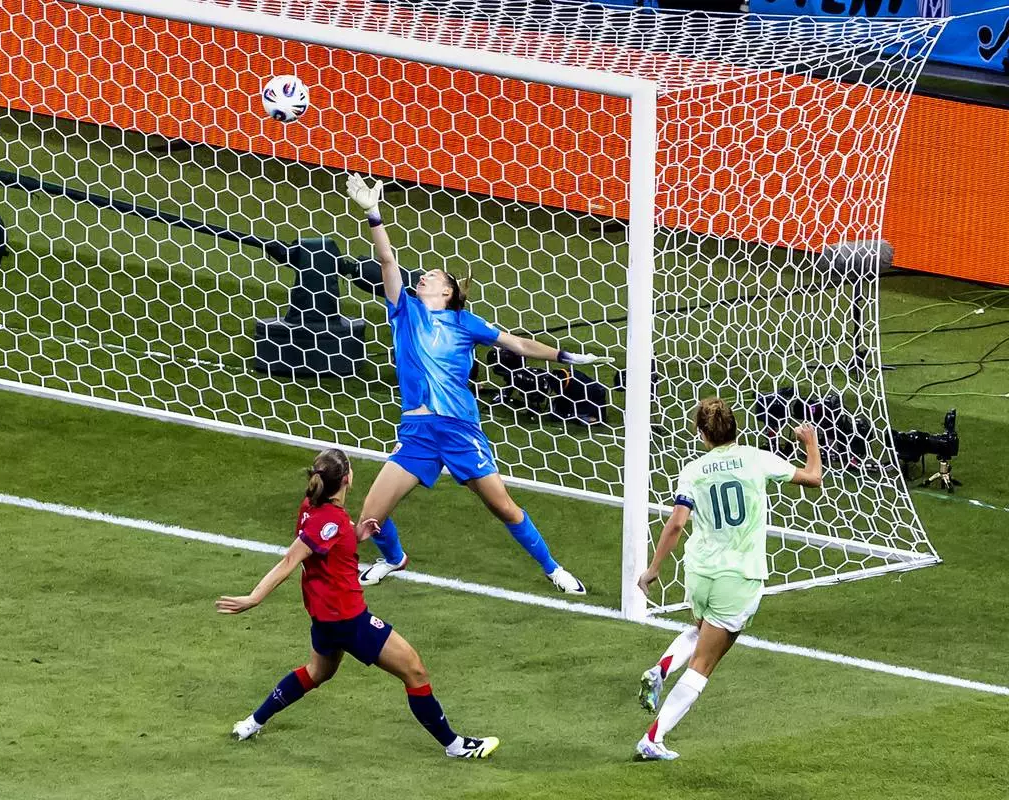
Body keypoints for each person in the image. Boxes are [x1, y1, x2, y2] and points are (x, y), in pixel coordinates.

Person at [344, 173, 610, 595]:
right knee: (370, 519)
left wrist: (565, 356)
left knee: (503, 507)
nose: (424, 278)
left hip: (459, 430)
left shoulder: (465, 323)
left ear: (448, 291)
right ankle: (393, 558)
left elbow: (517, 342)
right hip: (416, 433)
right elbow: (388, 262)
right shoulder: (405, 312)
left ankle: (553, 568)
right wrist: (374, 214)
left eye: (432, 276)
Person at [216, 447, 500, 759]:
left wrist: (357, 534)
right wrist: (253, 597)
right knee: (415, 671)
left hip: (323, 618)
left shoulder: (312, 508)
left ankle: (251, 723)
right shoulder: (331, 521)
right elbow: (290, 560)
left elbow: (327, 544)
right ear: (348, 478)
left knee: (316, 672)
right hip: (348, 619)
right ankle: (455, 746)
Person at [633, 397, 822, 761]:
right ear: (735, 427)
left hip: (701, 572)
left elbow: (676, 524)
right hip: (739, 576)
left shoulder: (693, 470)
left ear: (702, 434)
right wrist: (810, 444)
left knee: (704, 628)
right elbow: (812, 478)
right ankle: (652, 738)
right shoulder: (755, 458)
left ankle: (661, 669)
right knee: (704, 663)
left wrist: (653, 569)